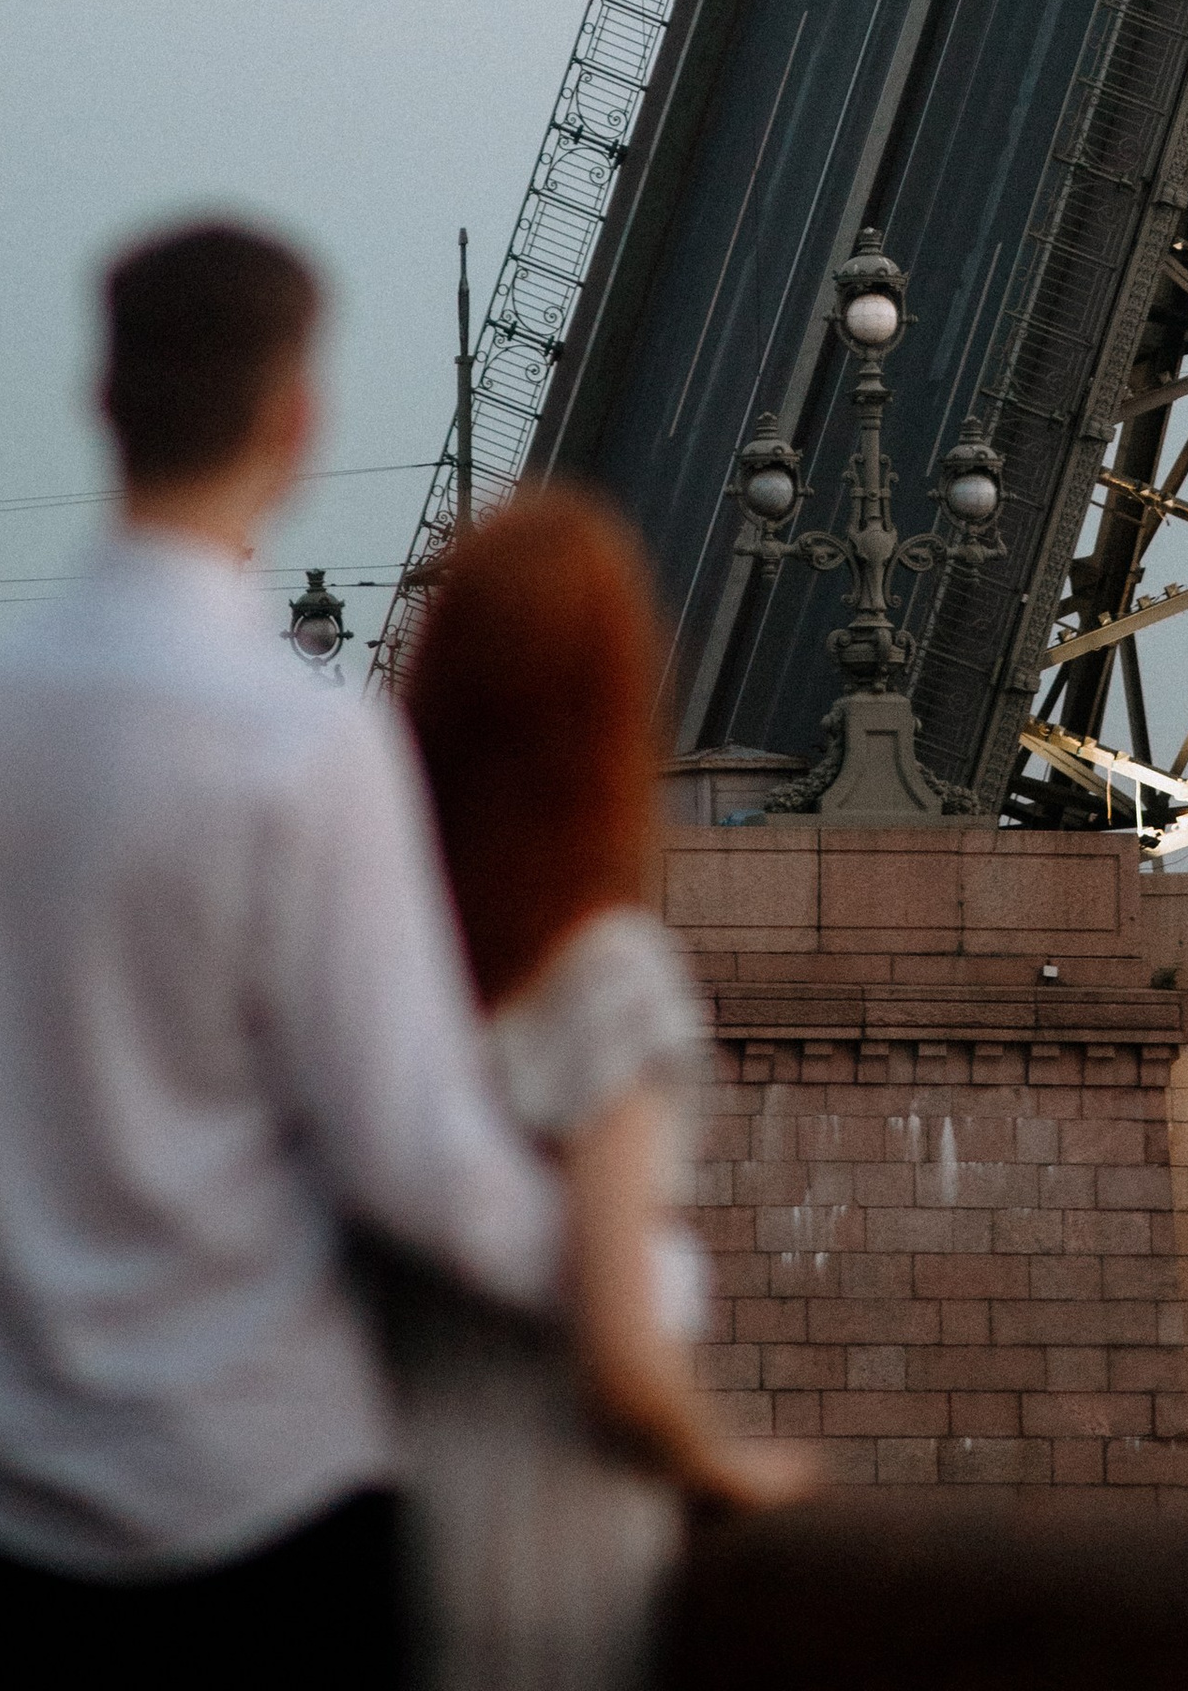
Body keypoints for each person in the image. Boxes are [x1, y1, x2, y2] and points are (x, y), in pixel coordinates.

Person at [0, 218, 559, 1686]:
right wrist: (634, 1279)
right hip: (265, 1519)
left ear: (100, 403)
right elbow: (416, 1158)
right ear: (294, 422)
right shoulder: (305, 746)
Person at [387, 484, 812, 1691]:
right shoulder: (608, 980)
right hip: (550, 1568)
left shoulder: (373, 972)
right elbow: (620, 1364)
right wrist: (733, 1467)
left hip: (369, 1546)